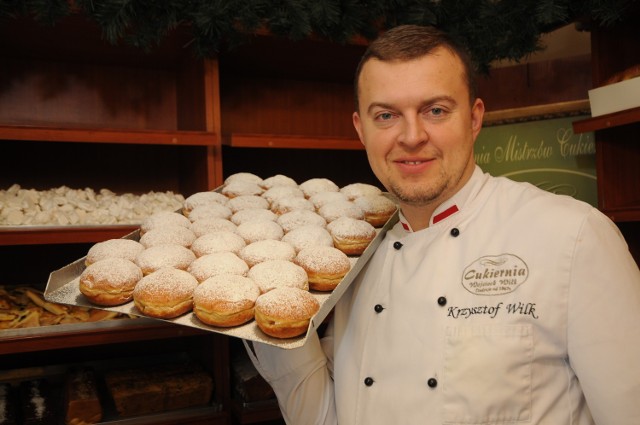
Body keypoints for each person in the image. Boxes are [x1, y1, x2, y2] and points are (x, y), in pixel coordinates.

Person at [244, 24, 640, 424]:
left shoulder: (573, 237)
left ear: (473, 118)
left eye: (435, 110)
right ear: (361, 129)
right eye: (386, 115)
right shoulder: (349, 252)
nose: (412, 136)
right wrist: (273, 320)